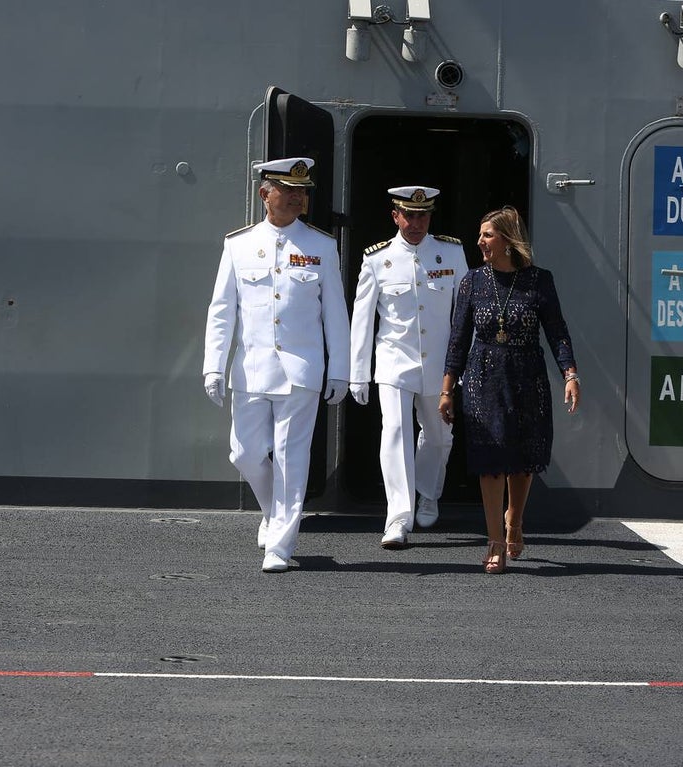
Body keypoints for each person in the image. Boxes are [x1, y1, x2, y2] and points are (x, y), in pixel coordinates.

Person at [203, 157, 350, 573]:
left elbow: (334, 313)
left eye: (303, 191)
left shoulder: (321, 246)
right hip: (251, 369)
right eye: (290, 190)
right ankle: (275, 513)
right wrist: (214, 365)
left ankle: (280, 545)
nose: (299, 198)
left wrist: (340, 367)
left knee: (291, 457)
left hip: (301, 370)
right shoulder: (239, 244)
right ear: (266, 193)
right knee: (244, 453)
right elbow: (221, 310)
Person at [439, 206, 580, 574]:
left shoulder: (539, 280)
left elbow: (557, 330)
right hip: (484, 378)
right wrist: (446, 389)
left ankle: (514, 522)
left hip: (527, 376)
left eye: (487, 235)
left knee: (522, 459)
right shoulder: (472, 281)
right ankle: (495, 541)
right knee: (490, 462)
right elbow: (457, 340)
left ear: (507, 239)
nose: (480, 241)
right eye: (480, 235)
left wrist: (570, 374)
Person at [349, 186, 468, 549]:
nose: (416, 223)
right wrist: (358, 372)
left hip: (440, 365)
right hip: (393, 363)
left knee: (438, 436)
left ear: (430, 216)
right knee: (396, 433)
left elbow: (466, 313)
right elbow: (363, 319)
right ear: (395, 216)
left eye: (423, 215)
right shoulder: (377, 259)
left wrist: (465, 364)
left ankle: (428, 492)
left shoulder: (450, 251)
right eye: (409, 215)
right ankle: (398, 517)